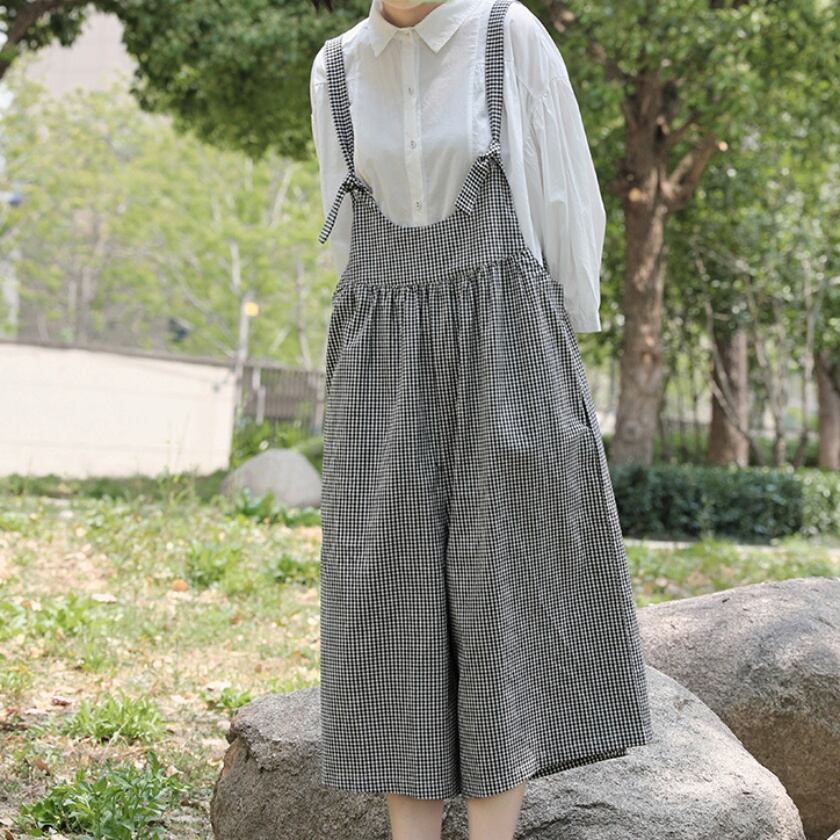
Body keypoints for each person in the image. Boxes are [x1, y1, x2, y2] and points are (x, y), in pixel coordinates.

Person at [309, 0, 655, 838]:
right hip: (382, 361)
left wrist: (556, 358)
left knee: (507, 583)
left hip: (506, 344)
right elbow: (347, 235)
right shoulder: (334, 68)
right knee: (386, 592)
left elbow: (566, 196)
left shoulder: (508, 34)